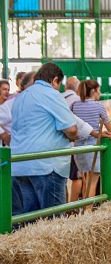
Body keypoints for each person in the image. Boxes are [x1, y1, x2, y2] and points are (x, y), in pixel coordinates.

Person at [9, 63, 80, 215]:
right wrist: (72, 136)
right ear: (54, 80)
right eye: (59, 85)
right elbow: (72, 129)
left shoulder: (21, 97)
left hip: (20, 165)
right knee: (52, 223)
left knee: (29, 222)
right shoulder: (51, 94)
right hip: (46, 166)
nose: (59, 89)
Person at [70, 79, 111, 203]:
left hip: (78, 148)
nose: (99, 93)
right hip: (93, 147)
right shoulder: (98, 105)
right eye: (99, 90)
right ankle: (88, 212)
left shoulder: (75, 105)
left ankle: (84, 209)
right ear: (94, 90)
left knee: (85, 181)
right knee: (93, 182)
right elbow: (110, 129)